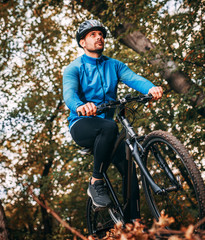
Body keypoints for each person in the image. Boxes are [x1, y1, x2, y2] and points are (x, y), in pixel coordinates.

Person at [63, 19, 163, 221]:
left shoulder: (114, 65)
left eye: (101, 34)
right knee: (108, 127)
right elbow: (69, 93)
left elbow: (133, 78)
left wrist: (150, 88)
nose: (99, 37)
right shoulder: (74, 68)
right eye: (92, 34)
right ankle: (95, 181)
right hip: (82, 124)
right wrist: (81, 106)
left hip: (107, 129)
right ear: (82, 42)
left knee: (130, 169)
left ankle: (133, 223)